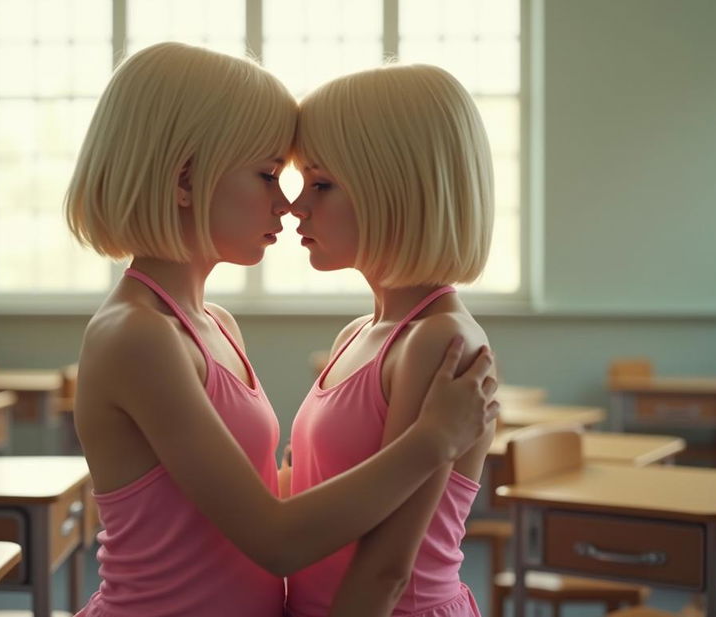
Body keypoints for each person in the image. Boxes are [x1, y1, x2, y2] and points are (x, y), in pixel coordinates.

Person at [65, 43, 499, 617]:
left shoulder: (215, 324)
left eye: (312, 183)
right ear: (185, 181)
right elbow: (277, 537)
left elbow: (308, 511)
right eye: (269, 174)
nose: (289, 201)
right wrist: (432, 441)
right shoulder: (138, 334)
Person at [286, 63, 498, 617]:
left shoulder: (440, 341)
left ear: (396, 189)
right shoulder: (359, 333)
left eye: (322, 184)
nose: (295, 206)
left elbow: (387, 571)